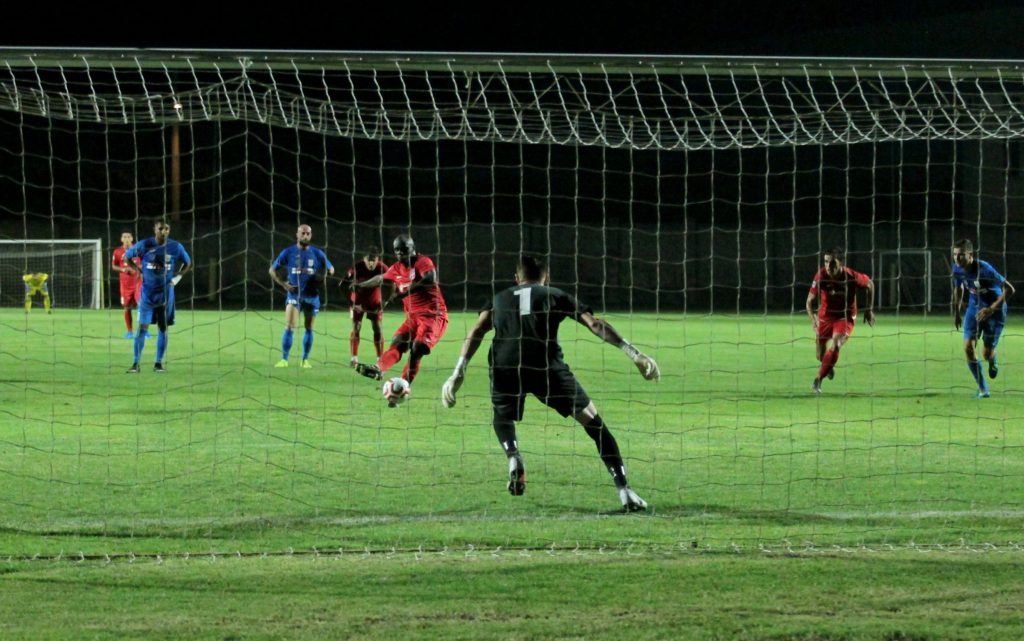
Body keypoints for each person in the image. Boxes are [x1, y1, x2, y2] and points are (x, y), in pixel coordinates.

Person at [440, 255, 660, 512]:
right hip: (545, 367)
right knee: (594, 425)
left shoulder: (499, 298)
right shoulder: (555, 294)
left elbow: (477, 330)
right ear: (546, 278)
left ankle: (513, 456)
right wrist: (633, 353)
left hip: (505, 365)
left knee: (502, 415)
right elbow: (595, 324)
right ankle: (625, 491)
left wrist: (458, 372)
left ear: (516, 278)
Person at [352, 233, 447, 403]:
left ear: (413, 248)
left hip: (433, 315)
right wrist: (361, 285)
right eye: (397, 250)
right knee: (398, 342)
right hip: (412, 317)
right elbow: (381, 278)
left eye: (404, 249)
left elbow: (431, 278)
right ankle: (379, 368)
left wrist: (405, 292)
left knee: (417, 348)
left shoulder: (422, 262)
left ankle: (404, 385)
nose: (400, 253)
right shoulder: (396, 268)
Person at [123, 219, 192, 373]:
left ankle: (158, 364)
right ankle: (135, 364)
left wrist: (177, 278)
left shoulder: (175, 247)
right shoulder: (145, 244)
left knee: (163, 328)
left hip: (165, 295)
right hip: (147, 294)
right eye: (161, 228)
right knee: (142, 328)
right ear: (155, 229)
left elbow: (188, 262)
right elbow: (126, 257)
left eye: (166, 229)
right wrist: (138, 270)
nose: (163, 231)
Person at [805, 247, 876, 394]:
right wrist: (813, 319)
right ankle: (827, 366)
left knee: (836, 344)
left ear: (841, 263)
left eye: (832, 263)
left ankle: (818, 380)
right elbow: (809, 301)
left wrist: (869, 309)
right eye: (826, 262)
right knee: (820, 356)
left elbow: (870, 284)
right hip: (825, 317)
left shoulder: (851, 276)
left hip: (845, 317)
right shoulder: (821, 276)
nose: (828, 266)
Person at [951, 238, 1014, 398]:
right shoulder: (957, 269)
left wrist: (991, 309)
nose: (957, 258)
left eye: (961, 255)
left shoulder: (985, 269)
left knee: (986, 353)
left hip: (996, 309)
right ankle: (983, 389)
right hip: (974, 307)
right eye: (955, 254)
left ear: (970, 255)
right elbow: (959, 287)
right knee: (968, 347)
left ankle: (992, 359)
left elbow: (1009, 289)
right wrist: (957, 311)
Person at [269, 224, 335, 369]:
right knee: (290, 326)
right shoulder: (288, 252)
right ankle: (284, 360)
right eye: (302, 233)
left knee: (309, 328)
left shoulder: (317, 253)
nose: (305, 236)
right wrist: (284, 284)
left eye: (308, 233)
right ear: (297, 235)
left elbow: (331, 269)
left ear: (311, 235)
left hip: (312, 296)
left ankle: (305, 360)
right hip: (294, 295)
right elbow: (272, 270)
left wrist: (323, 279)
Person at [341, 246, 386, 368]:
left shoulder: (382, 268)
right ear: (364, 259)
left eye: (373, 260)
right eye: (368, 260)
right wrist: (352, 304)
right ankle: (354, 358)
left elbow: (392, 285)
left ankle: (380, 359)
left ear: (378, 259)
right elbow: (342, 285)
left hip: (374, 303)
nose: (371, 263)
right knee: (356, 328)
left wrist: (384, 303)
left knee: (377, 328)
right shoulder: (357, 267)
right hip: (358, 302)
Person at [112, 230, 144, 338]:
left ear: (132, 238)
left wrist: (137, 269)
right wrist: (123, 269)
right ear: (121, 239)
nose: (126, 239)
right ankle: (130, 331)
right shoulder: (117, 251)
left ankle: (144, 331)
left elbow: (145, 263)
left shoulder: (138, 249)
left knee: (141, 306)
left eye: (128, 237)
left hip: (138, 282)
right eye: (124, 237)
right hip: (125, 284)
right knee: (127, 307)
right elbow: (114, 266)